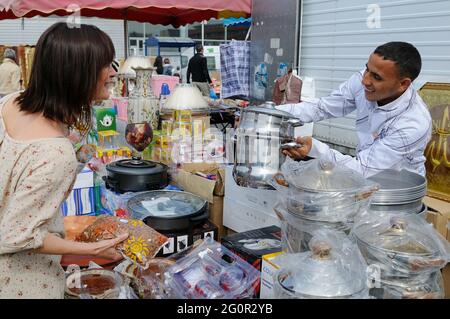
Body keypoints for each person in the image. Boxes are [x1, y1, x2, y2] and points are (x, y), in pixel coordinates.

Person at [0, 22, 128, 299]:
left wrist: (77, 153)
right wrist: (93, 249)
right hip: (21, 283)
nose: (113, 72)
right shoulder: (56, 154)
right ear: (77, 75)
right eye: (104, 64)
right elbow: (15, 236)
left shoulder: (10, 102)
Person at [277, 42, 431, 178]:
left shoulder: (412, 124)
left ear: (403, 84)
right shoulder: (363, 81)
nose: (365, 81)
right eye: (366, 69)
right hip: (363, 175)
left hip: (395, 192)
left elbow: (363, 169)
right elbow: (322, 108)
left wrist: (315, 149)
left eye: (376, 77)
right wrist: (272, 113)